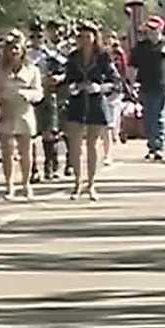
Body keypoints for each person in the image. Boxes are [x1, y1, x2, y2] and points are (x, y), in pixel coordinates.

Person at [55, 21, 121, 201]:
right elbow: (67, 80)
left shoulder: (103, 57)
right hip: (77, 103)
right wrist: (72, 87)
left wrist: (99, 87)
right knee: (75, 146)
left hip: (96, 103)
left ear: (94, 37)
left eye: (88, 36)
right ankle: (77, 182)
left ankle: (91, 184)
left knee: (92, 145)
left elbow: (116, 82)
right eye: (81, 36)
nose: (84, 40)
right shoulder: (73, 57)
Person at [0, 29, 44, 200]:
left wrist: (27, 95)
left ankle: (26, 184)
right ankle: (9, 186)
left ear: (23, 50)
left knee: (26, 152)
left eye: (16, 48)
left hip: (24, 112)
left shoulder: (32, 70)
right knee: (7, 152)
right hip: (6, 113)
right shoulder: (0, 71)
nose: (13, 51)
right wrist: (0, 99)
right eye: (10, 48)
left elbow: (39, 93)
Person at [130, 16, 165, 161]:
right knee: (148, 117)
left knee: (161, 116)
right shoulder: (141, 47)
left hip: (164, 86)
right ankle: (151, 145)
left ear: (161, 28)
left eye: (154, 28)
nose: (151, 31)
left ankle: (158, 146)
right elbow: (132, 67)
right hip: (145, 86)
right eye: (149, 28)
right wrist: (131, 84)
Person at [32, 23, 67, 182]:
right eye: (33, 36)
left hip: (49, 94)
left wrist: (58, 78)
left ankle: (51, 165)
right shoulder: (25, 55)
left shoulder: (53, 54)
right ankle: (33, 169)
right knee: (31, 134)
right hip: (31, 96)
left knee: (50, 132)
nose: (37, 39)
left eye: (40, 36)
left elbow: (65, 72)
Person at [102, 30, 131, 166]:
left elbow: (122, 72)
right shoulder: (98, 54)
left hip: (114, 90)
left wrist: (122, 84)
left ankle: (112, 143)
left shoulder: (119, 54)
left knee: (111, 120)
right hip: (98, 92)